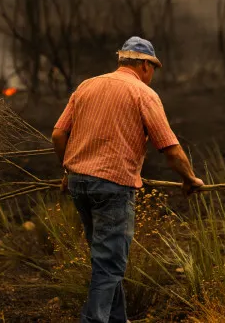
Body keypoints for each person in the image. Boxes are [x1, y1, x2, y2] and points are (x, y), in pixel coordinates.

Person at [51, 36, 205, 323]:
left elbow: (59, 135)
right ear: (146, 65)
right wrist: (190, 178)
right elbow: (170, 148)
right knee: (109, 265)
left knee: (105, 259)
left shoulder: (87, 86)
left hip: (79, 183)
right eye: (153, 69)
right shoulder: (143, 94)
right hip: (112, 185)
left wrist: (68, 171)